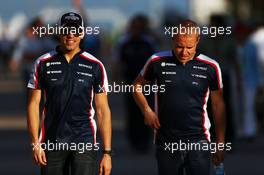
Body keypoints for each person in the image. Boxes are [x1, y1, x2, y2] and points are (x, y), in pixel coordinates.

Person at [132, 20, 226, 175]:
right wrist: (146, 110)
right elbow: (136, 86)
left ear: (197, 41)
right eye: (179, 46)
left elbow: (218, 106)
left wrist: (220, 143)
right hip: (167, 141)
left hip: (199, 141)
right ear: (172, 39)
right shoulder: (157, 61)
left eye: (189, 47)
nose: (184, 52)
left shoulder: (211, 66)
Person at [27, 12, 112, 175]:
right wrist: (35, 144)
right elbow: (33, 105)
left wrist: (107, 153)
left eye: (75, 31)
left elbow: (103, 110)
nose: (70, 36)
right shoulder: (42, 63)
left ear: (82, 33)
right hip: (52, 142)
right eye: (66, 31)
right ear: (59, 32)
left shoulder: (96, 65)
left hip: (84, 141)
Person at [115, 14, 156, 152]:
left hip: (146, 83)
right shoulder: (124, 42)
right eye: (134, 27)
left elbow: (155, 62)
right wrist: (116, 78)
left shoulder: (148, 42)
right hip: (130, 82)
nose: (136, 30)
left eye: (139, 27)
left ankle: (145, 141)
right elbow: (118, 62)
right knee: (132, 111)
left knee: (146, 109)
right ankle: (134, 141)